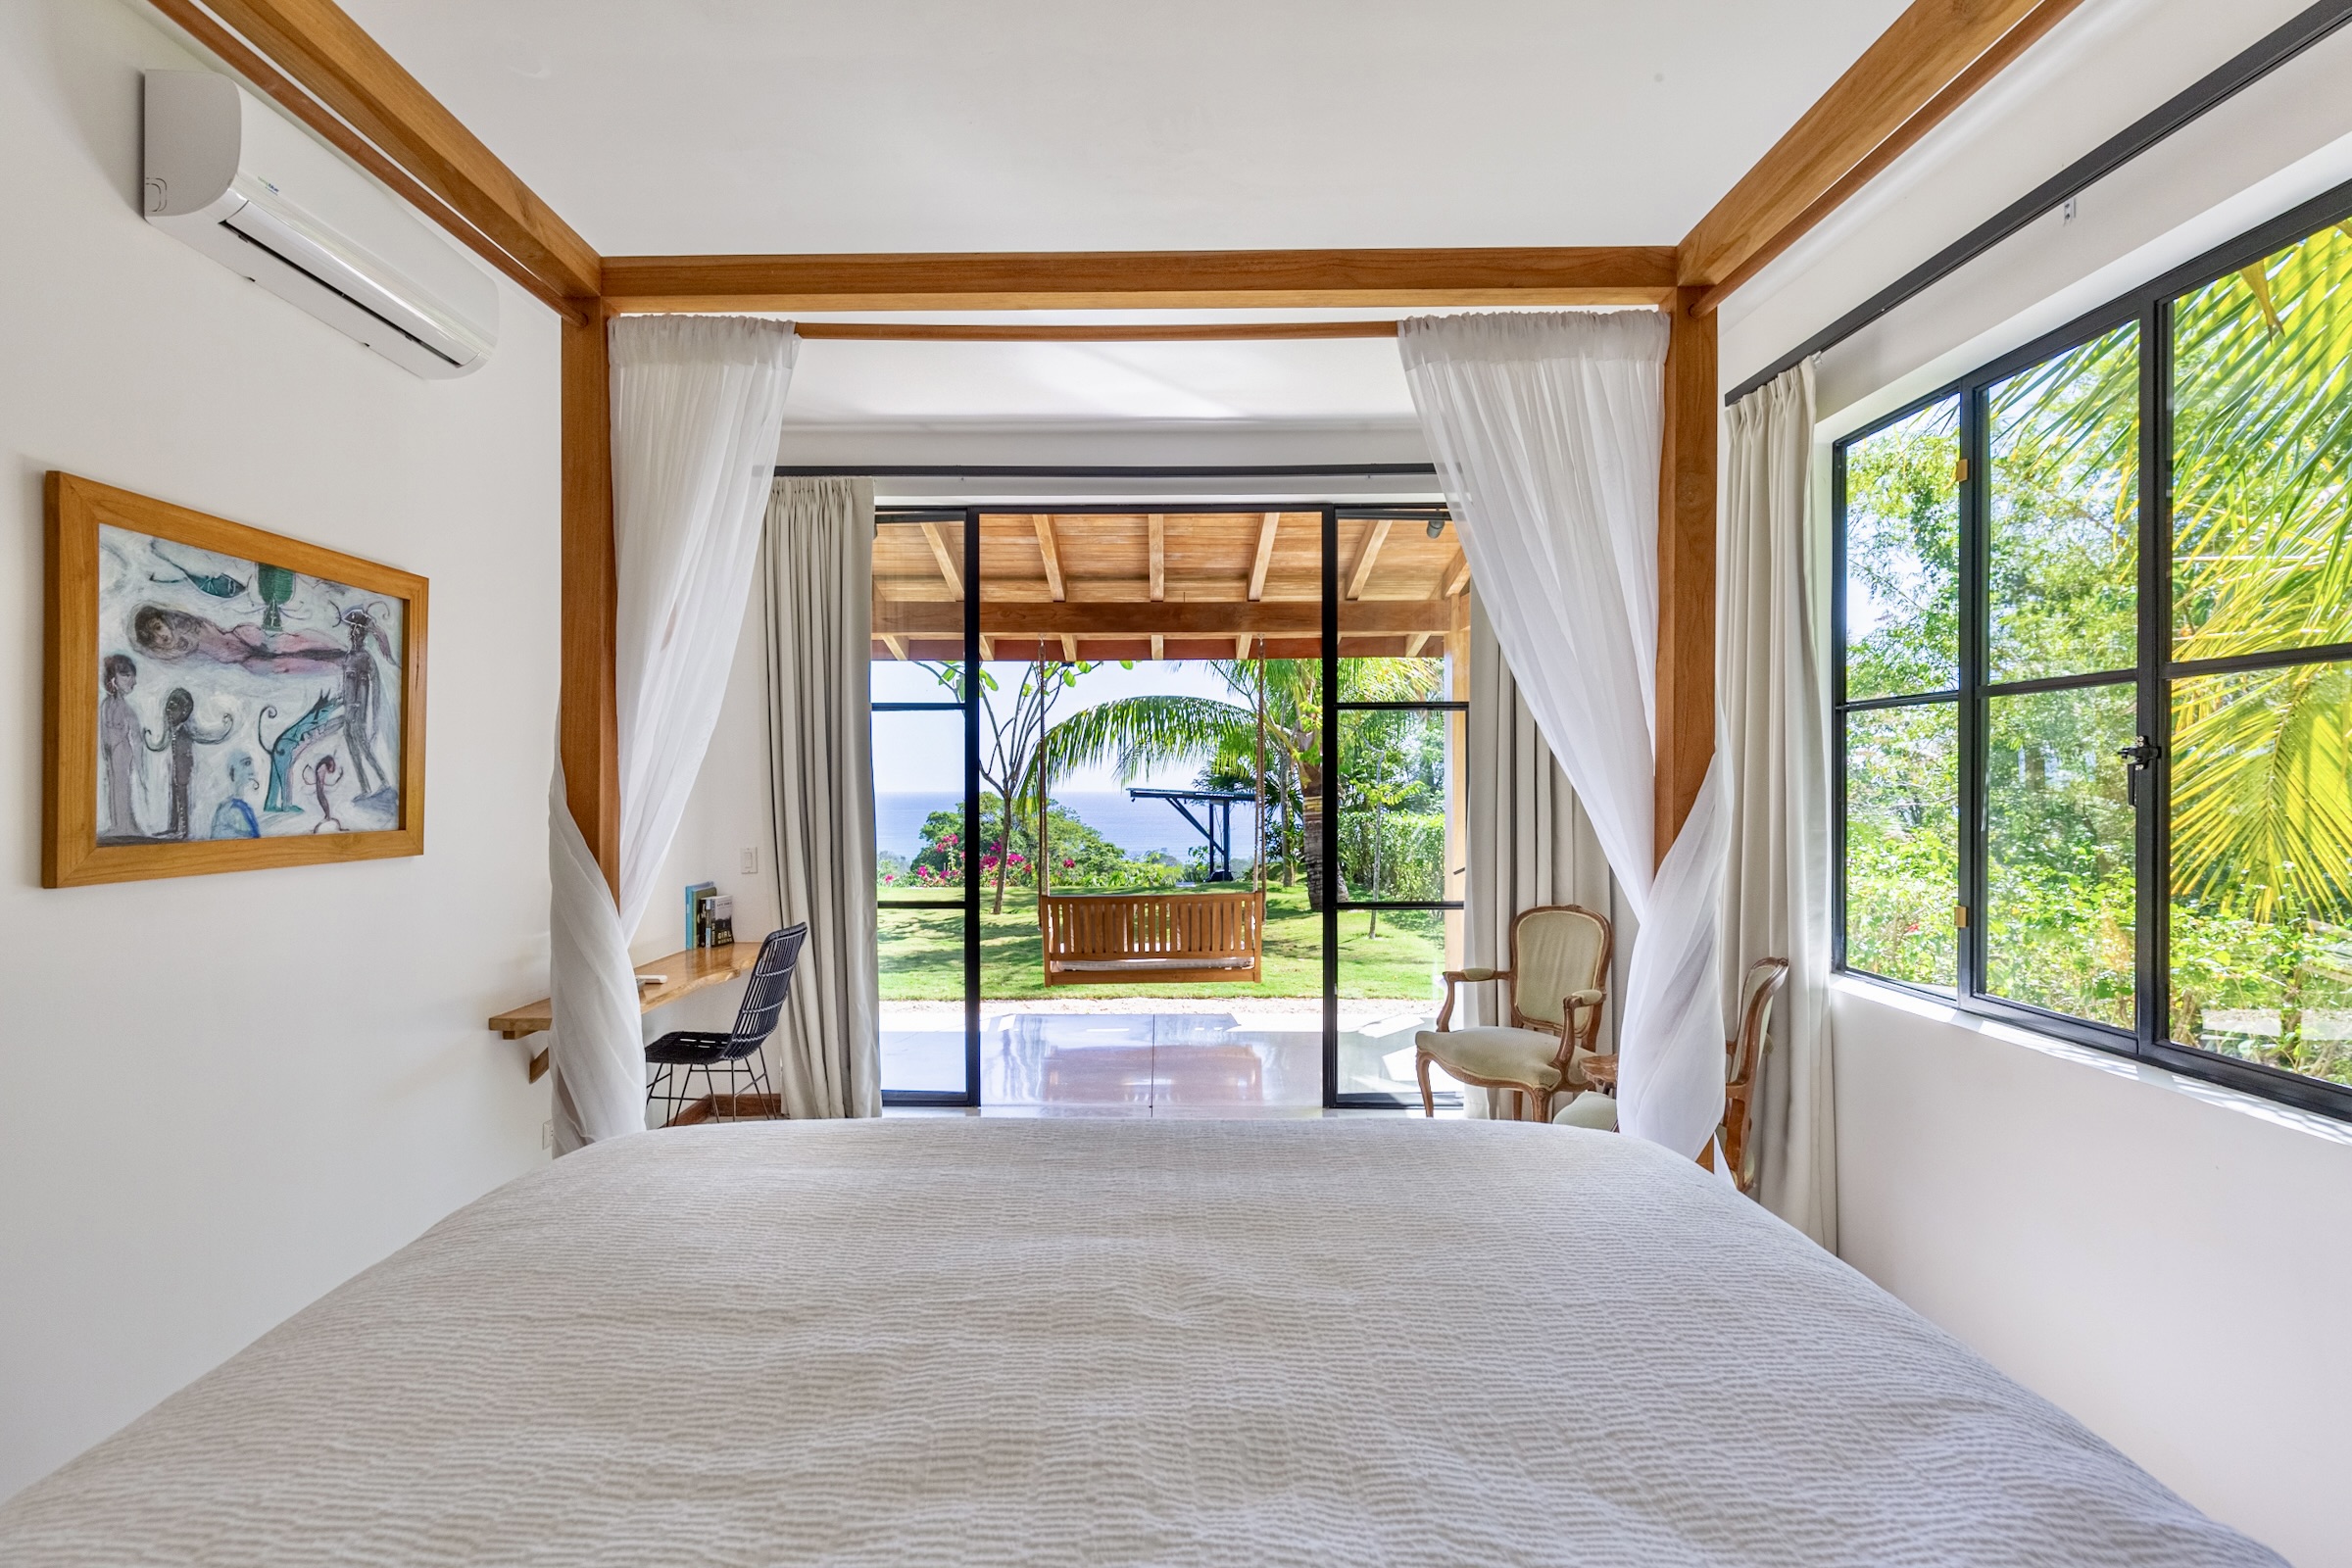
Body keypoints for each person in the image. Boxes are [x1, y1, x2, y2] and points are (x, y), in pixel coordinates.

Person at [144, 687, 233, 840]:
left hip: (184, 767)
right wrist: (149, 740)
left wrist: (226, 727)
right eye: (168, 707)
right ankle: (173, 826)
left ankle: (184, 830)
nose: (169, 712)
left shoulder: (186, 730)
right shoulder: (173, 729)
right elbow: (160, 745)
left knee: (183, 796)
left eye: (173, 708)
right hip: (175, 767)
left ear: (184, 711)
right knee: (174, 795)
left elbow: (206, 736)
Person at [98, 654, 143, 839]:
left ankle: (125, 825)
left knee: (122, 786)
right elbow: (104, 733)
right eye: (126, 675)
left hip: (123, 752)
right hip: (113, 751)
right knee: (115, 785)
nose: (132, 681)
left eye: (132, 675)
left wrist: (140, 764)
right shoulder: (108, 705)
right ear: (112, 678)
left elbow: (136, 739)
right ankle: (119, 824)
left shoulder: (126, 709)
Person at [207, 751, 261, 840]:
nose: (252, 770)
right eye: (246, 763)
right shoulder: (227, 809)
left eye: (251, 764)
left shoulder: (245, 807)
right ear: (233, 771)